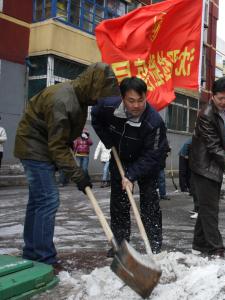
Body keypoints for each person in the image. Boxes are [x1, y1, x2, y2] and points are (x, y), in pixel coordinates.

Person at [14, 62, 119, 267]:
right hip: (34, 147)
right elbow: (57, 145)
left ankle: (33, 252)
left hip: (42, 147)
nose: (99, 99)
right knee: (47, 200)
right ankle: (44, 258)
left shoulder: (79, 99)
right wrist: (78, 174)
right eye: (100, 93)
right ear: (92, 85)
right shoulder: (63, 99)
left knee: (38, 202)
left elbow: (62, 137)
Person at [91, 76, 169, 255]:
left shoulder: (154, 121)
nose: (136, 105)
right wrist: (108, 140)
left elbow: (152, 154)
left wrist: (131, 175)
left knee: (149, 201)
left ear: (146, 97)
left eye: (140, 100)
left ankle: (154, 244)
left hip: (148, 162)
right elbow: (95, 118)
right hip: (121, 157)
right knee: (119, 202)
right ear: (122, 98)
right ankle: (120, 243)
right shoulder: (108, 106)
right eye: (131, 100)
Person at [189, 77, 225, 257]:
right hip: (204, 166)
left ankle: (198, 244)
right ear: (213, 96)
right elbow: (213, 147)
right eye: (221, 98)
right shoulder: (205, 114)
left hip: (215, 165)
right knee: (210, 209)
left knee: (207, 207)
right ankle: (216, 247)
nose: (224, 102)